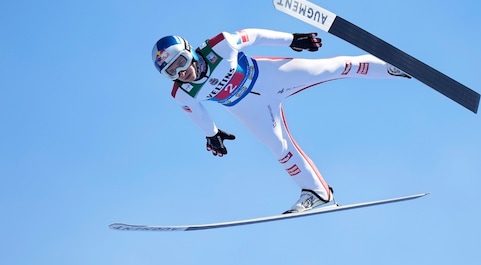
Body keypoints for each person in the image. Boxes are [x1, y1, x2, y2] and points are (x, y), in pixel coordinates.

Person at [152, 29, 411, 214]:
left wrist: (292, 40)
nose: (181, 73)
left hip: (270, 77)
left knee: (333, 68)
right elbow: (196, 113)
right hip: (248, 108)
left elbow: (252, 36)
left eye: (182, 63)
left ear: (190, 52)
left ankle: (390, 68)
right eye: (171, 72)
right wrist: (212, 134)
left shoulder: (219, 46)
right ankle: (317, 193)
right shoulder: (182, 92)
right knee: (279, 148)